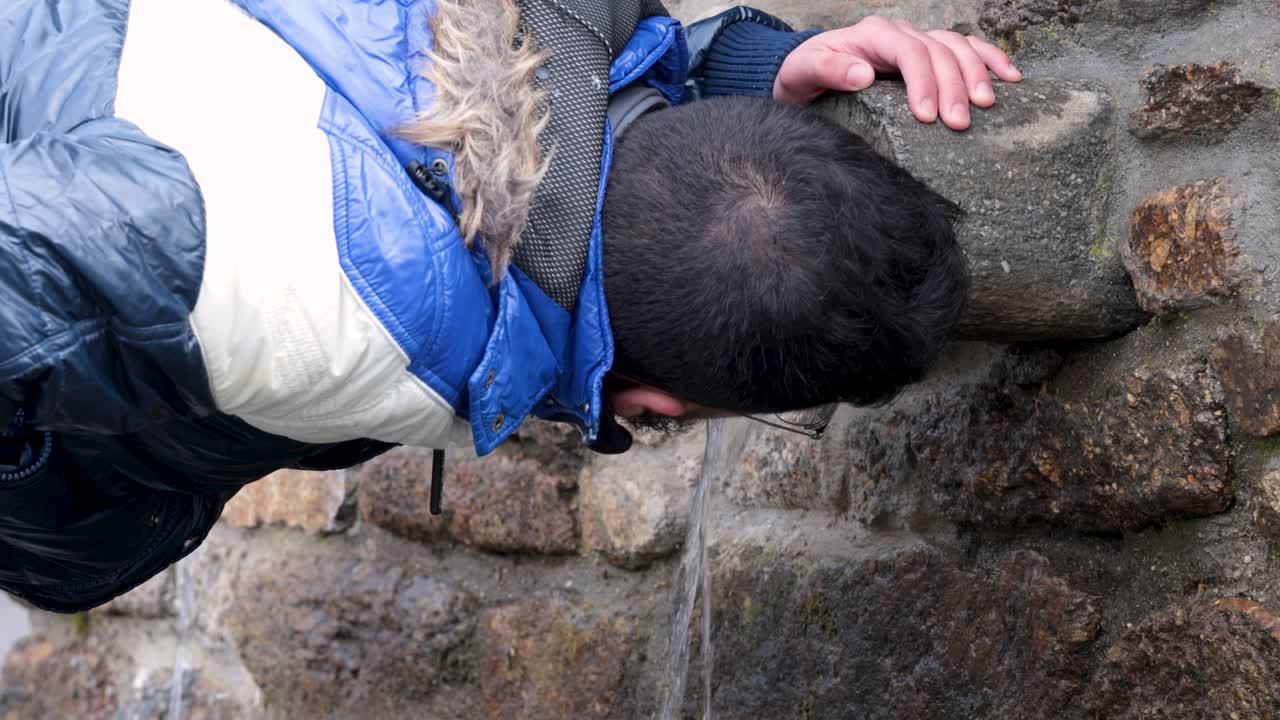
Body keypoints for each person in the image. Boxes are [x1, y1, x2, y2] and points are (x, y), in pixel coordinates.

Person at [0, 0, 1020, 613]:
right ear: (657, 407)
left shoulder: (572, 27)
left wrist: (742, 68)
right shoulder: (305, 299)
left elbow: (557, 108)